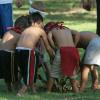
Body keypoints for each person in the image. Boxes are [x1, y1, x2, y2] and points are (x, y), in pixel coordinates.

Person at [15, 12, 54, 96]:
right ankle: (21, 91)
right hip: (28, 51)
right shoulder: (40, 31)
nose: (42, 25)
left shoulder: (26, 30)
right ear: (38, 22)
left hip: (18, 51)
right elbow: (48, 47)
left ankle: (33, 91)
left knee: (27, 71)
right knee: (30, 73)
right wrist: (52, 56)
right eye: (42, 23)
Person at [44, 22, 80, 93]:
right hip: (73, 50)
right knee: (71, 72)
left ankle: (48, 91)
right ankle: (76, 91)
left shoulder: (52, 31)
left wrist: (54, 47)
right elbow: (77, 33)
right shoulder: (66, 29)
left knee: (53, 74)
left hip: (62, 50)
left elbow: (49, 37)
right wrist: (74, 45)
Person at [0, 15, 30, 92]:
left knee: (6, 72)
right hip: (9, 54)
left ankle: (9, 89)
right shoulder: (19, 35)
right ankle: (16, 88)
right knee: (13, 73)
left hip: (1, 52)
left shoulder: (9, 31)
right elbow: (20, 47)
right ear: (23, 27)